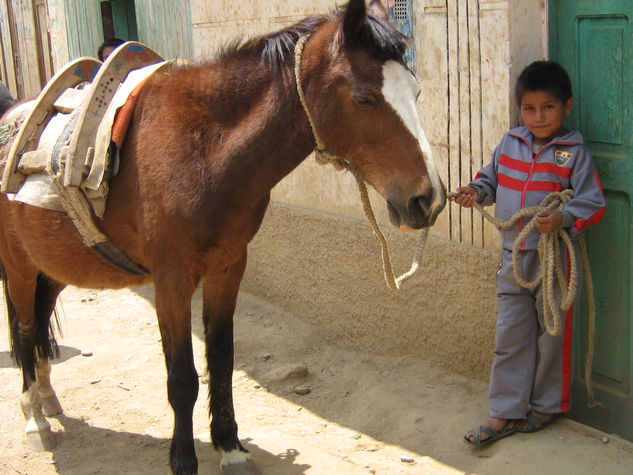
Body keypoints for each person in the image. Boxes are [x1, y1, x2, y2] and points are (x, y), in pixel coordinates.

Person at [452, 60, 606, 447]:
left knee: (553, 334)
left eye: (548, 107)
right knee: (510, 334)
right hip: (513, 259)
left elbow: (594, 203)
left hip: (555, 259)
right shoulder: (510, 143)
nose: (538, 117)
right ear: (520, 110)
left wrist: (563, 218)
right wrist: (475, 191)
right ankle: (504, 411)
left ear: (566, 107)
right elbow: (491, 178)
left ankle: (546, 406)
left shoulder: (573, 152)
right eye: (530, 109)